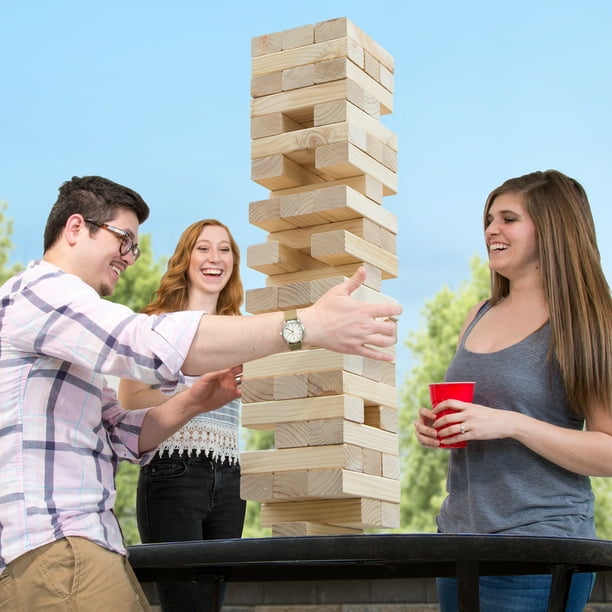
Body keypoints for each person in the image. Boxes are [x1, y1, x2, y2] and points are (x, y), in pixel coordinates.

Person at [0, 175, 401, 612]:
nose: (129, 257)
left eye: (133, 247)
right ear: (76, 228)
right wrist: (304, 325)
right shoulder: (43, 293)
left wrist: (198, 399)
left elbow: (119, 434)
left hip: (88, 541)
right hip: (56, 542)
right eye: (124, 240)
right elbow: (144, 345)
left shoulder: (68, 333)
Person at [414, 169, 612, 612]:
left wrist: (512, 424)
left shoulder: (585, 325)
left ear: (553, 229)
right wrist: (433, 427)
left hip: (541, 545)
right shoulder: (478, 314)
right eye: (488, 219)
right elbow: (478, 419)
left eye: (508, 219)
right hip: (459, 540)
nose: (491, 230)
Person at [119, 219, 245, 612]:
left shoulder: (242, 331)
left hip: (230, 478)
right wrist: (192, 390)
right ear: (186, 258)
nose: (215, 258)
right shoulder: (155, 324)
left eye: (225, 249)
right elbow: (129, 400)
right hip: (172, 472)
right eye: (203, 248)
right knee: (185, 606)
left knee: (211, 605)